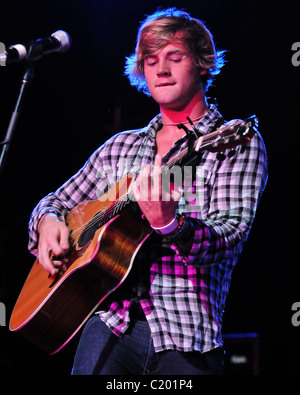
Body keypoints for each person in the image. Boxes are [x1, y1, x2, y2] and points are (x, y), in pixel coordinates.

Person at [28, 7, 268, 375]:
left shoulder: (234, 142)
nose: (161, 69)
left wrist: (171, 224)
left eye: (175, 57)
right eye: (151, 59)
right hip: (110, 321)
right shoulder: (119, 147)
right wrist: (46, 223)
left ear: (203, 65)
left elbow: (231, 235)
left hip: (187, 332)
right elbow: (56, 201)